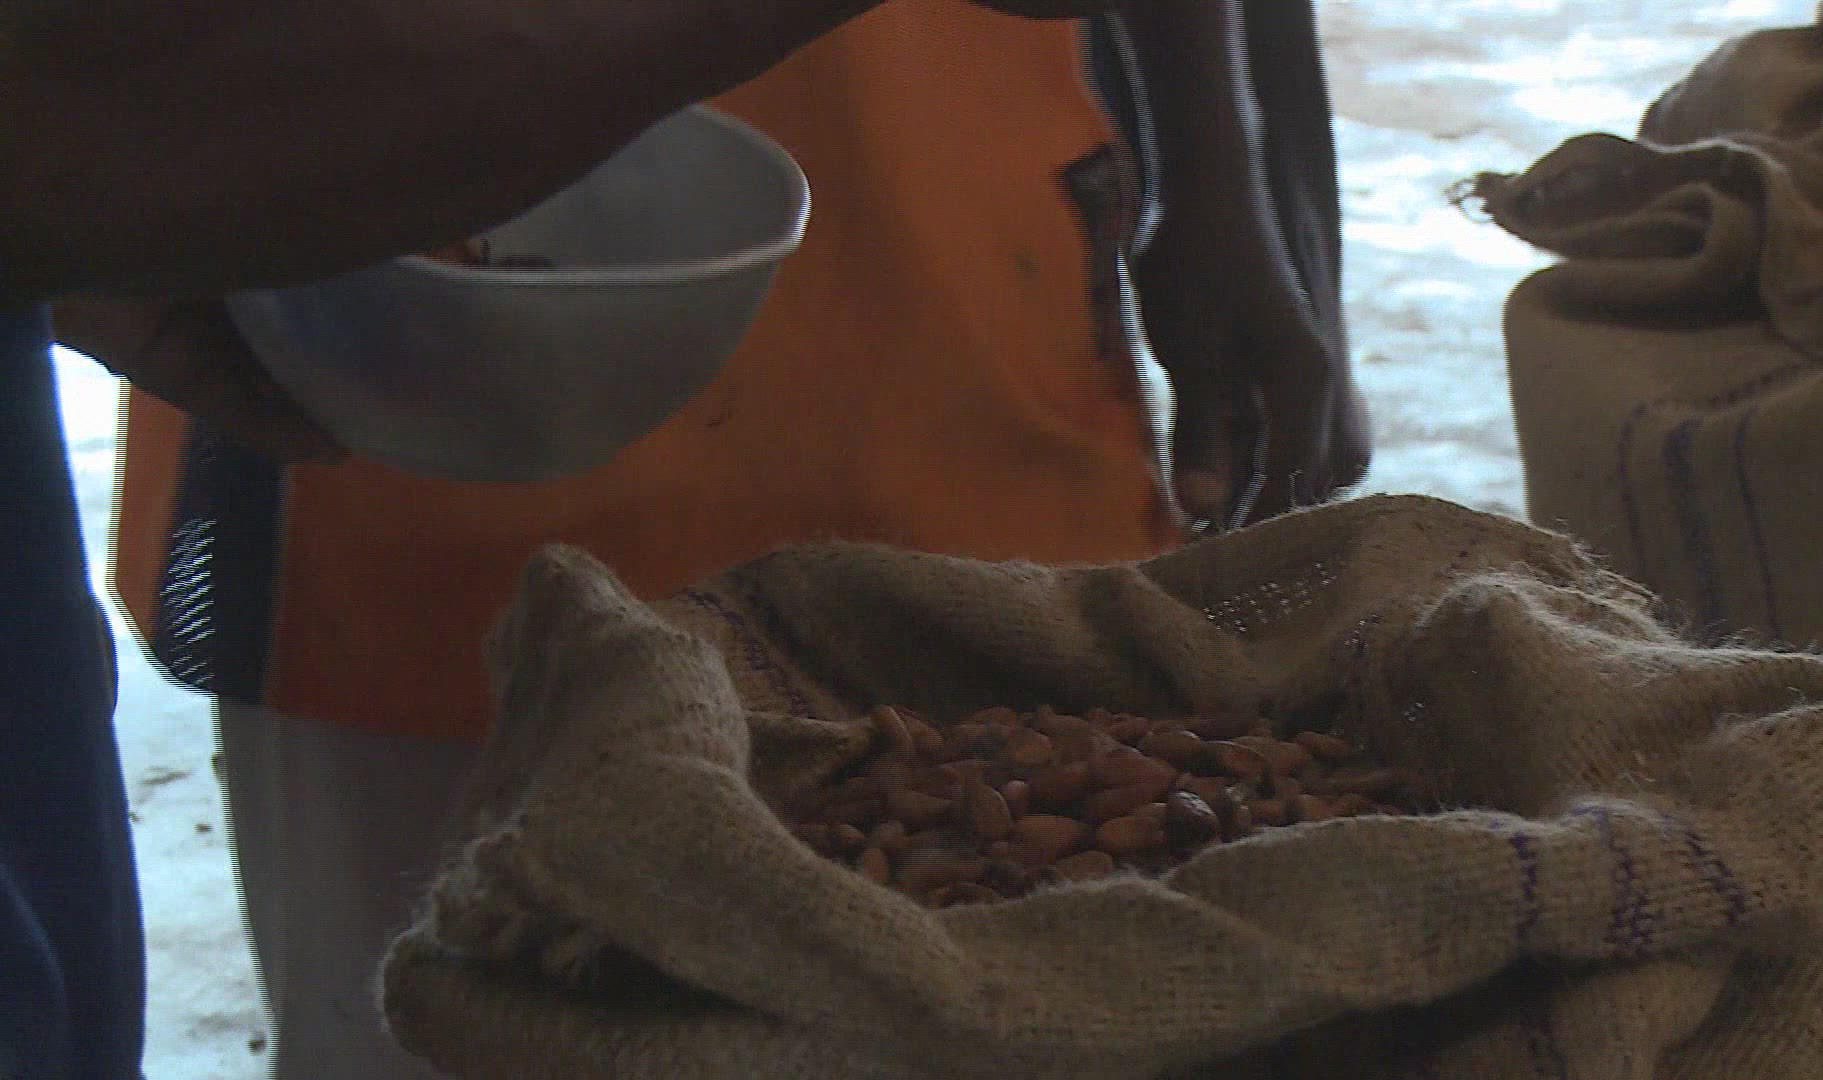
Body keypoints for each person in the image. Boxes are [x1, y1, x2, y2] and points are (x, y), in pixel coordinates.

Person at [77, 1, 1364, 1077]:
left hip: (942, 264)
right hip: (395, 354)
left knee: (1016, 927)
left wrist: (1227, 172)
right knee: (450, 1006)